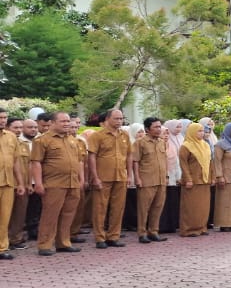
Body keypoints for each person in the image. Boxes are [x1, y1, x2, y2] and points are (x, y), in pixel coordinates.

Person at [31, 112, 85, 255]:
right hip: (54, 183)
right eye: (63, 121)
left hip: (72, 183)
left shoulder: (72, 140)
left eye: (68, 121)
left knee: (68, 214)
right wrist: (38, 183)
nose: (67, 124)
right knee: (50, 214)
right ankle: (45, 245)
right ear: (53, 123)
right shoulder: (42, 140)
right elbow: (36, 163)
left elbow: (79, 161)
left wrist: (81, 179)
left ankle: (63, 243)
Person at [87, 108, 130, 249]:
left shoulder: (125, 135)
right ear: (107, 119)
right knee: (100, 208)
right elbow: (92, 156)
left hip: (120, 177)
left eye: (121, 118)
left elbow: (129, 156)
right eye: (116, 118)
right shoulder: (97, 136)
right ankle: (100, 237)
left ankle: (114, 236)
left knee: (118, 208)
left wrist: (129, 175)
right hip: (103, 177)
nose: (119, 121)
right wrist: (95, 177)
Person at [130, 117, 169, 241]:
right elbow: (135, 161)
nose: (159, 129)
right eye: (155, 127)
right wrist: (137, 178)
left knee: (158, 207)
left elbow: (165, 160)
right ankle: (142, 233)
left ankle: (153, 231)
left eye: (159, 127)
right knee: (143, 208)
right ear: (147, 129)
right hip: (146, 180)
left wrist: (166, 176)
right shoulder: (140, 143)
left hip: (161, 180)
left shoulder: (162, 142)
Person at [177, 122, 212, 237]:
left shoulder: (205, 145)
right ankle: (189, 229)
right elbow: (184, 164)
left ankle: (202, 227)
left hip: (204, 180)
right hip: (192, 180)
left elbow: (210, 162)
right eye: (199, 131)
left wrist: (212, 176)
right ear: (192, 132)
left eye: (202, 131)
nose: (202, 133)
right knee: (191, 206)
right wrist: (188, 179)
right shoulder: (186, 146)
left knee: (203, 206)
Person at [7, 119, 31, 253]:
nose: (19, 130)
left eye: (20, 127)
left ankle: (16, 239)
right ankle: (4, 240)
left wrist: (28, 183)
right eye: (15, 127)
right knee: (5, 214)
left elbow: (29, 165)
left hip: (22, 184)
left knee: (20, 214)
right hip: (8, 183)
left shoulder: (24, 144)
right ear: (7, 128)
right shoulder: (5, 142)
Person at [0, 117, 22, 260]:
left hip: (8, 182)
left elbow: (16, 161)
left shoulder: (11, 136)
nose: (2, 120)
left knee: (4, 217)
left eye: (4, 118)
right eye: (0, 118)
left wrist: (20, 182)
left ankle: (2, 248)